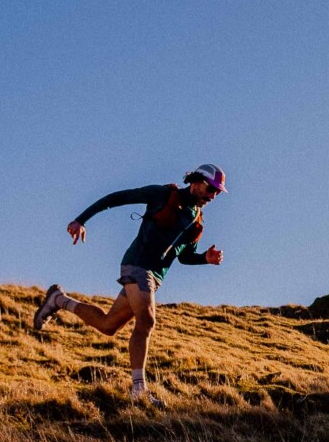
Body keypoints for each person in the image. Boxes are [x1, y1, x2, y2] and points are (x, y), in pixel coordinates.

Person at [33, 164, 226, 407]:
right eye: (211, 189)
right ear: (196, 181)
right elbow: (117, 198)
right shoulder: (163, 194)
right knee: (147, 321)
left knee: (108, 325)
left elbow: (185, 255)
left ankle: (58, 300)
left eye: (217, 193)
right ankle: (138, 390)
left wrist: (204, 259)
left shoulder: (196, 217)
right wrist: (81, 220)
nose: (213, 196)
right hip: (137, 265)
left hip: (154, 277)